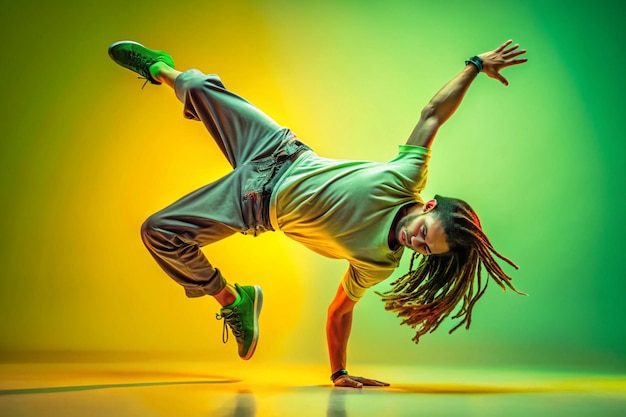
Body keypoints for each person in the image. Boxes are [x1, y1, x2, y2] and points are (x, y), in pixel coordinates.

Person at [108, 39, 527, 388]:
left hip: (253, 202)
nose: (414, 243)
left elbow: (340, 311)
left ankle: (234, 300)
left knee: (158, 231)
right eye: (423, 232)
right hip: (277, 148)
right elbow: (433, 114)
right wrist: (475, 66)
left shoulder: (378, 262)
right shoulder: (406, 177)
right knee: (198, 83)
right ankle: (159, 69)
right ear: (429, 206)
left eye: (424, 249)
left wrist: (338, 371)